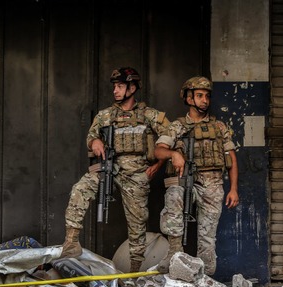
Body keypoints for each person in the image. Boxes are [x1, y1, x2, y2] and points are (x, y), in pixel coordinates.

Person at [60, 67, 170, 273]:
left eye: (120, 86)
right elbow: (91, 136)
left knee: (137, 225)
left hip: (136, 173)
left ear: (132, 88)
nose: (115, 91)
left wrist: (157, 166)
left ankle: (135, 271)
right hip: (107, 166)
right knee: (80, 189)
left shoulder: (149, 115)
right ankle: (71, 242)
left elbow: (169, 139)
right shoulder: (105, 116)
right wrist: (95, 142)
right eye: (115, 87)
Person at [154, 76, 239, 275]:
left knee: (208, 238)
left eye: (207, 96)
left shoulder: (219, 128)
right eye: (199, 96)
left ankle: (205, 277)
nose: (205, 101)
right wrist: (174, 154)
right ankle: (175, 252)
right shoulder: (177, 126)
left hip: (212, 183)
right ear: (189, 98)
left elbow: (232, 159)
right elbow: (158, 151)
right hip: (184, 179)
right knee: (173, 194)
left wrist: (233, 189)